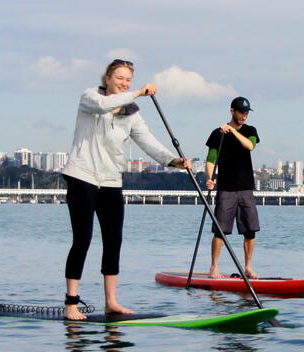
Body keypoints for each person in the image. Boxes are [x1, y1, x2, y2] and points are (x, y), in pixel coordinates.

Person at [61, 59, 192, 320]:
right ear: (107, 78)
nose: (124, 83)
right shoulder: (90, 97)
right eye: (120, 77)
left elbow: (148, 141)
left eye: (128, 80)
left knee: (114, 241)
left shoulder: (131, 113)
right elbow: (103, 105)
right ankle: (71, 303)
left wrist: (173, 161)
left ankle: (111, 301)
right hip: (81, 176)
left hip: (110, 181)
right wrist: (137, 93)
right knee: (83, 239)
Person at [205, 96, 261, 279]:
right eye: (241, 112)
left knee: (250, 230)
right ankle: (214, 268)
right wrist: (209, 178)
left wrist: (232, 131)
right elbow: (211, 159)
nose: (244, 116)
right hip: (226, 188)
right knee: (220, 230)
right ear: (232, 111)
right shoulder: (218, 134)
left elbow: (250, 145)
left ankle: (248, 267)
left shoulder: (250, 130)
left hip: (245, 187)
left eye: (246, 113)